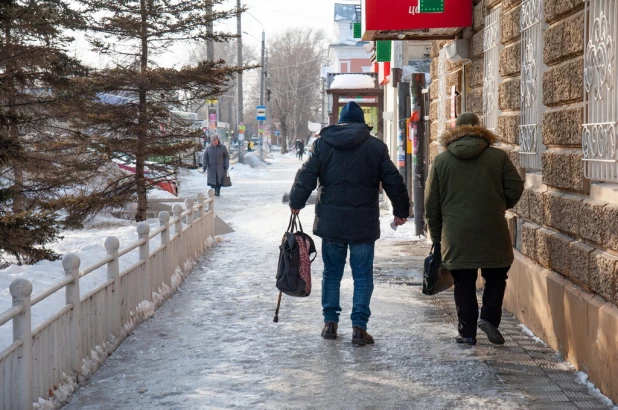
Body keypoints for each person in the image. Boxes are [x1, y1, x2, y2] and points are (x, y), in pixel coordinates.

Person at [289, 101, 410, 346]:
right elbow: (393, 180)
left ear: (340, 122)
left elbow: (306, 175)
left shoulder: (323, 144)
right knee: (362, 275)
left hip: (331, 222)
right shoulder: (375, 147)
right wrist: (401, 210)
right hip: (363, 223)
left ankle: (330, 324)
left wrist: (296, 201)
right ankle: (359, 328)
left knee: (331, 273)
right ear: (362, 124)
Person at [424, 112, 524, 346]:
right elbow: (515, 187)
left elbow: (431, 204)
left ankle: (467, 332)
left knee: (464, 281)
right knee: (496, 276)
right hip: (493, 226)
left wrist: (437, 237)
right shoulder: (498, 157)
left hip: (456, 233)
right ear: (480, 129)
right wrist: (499, 204)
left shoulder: (442, 161)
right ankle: (489, 318)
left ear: (454, 131)